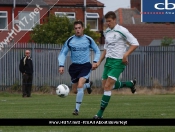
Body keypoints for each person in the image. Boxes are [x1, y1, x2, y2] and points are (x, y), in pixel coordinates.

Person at [93, 11, 139, 119]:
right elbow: (106, 49)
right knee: (105, 86)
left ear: (114, 20)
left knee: (108, 87)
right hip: (108, 61)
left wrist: (125, 55)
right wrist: (99, 62)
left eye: (109, 21)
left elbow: (135, 43)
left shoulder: (122, 30)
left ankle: (99, 114)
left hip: (118, 62)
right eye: (106, 21)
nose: (107, 23)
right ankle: (130, 84)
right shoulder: (107, 32)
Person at [58, 20, 100, 115]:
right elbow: (63, 53)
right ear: (74, 29)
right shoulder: (70, 40)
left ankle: (76, 109)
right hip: (74, 67)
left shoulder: (88, 39)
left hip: (85, 66)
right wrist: (61, 65)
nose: (77, 30)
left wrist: (95, 62)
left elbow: (97, 50)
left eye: (79, 28)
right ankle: (88, 85)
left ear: (82, 28)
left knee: (80, 85)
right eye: (76, 28)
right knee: (75, 90)